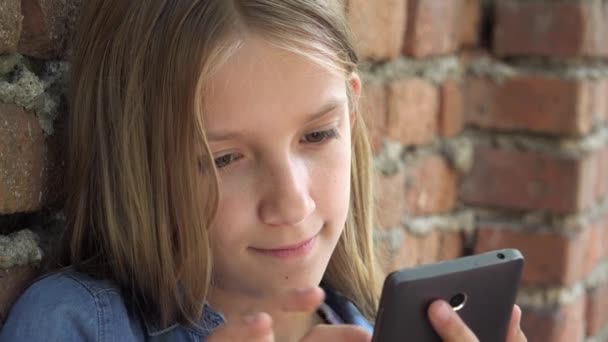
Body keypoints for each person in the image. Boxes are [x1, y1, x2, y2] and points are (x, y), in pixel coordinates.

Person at [0, 1, 527, 341]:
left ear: (352, 108)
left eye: (318, 135)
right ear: (138, 162)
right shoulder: (74, 325)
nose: (292, 203)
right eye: (223, 159)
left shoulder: (378, 329)